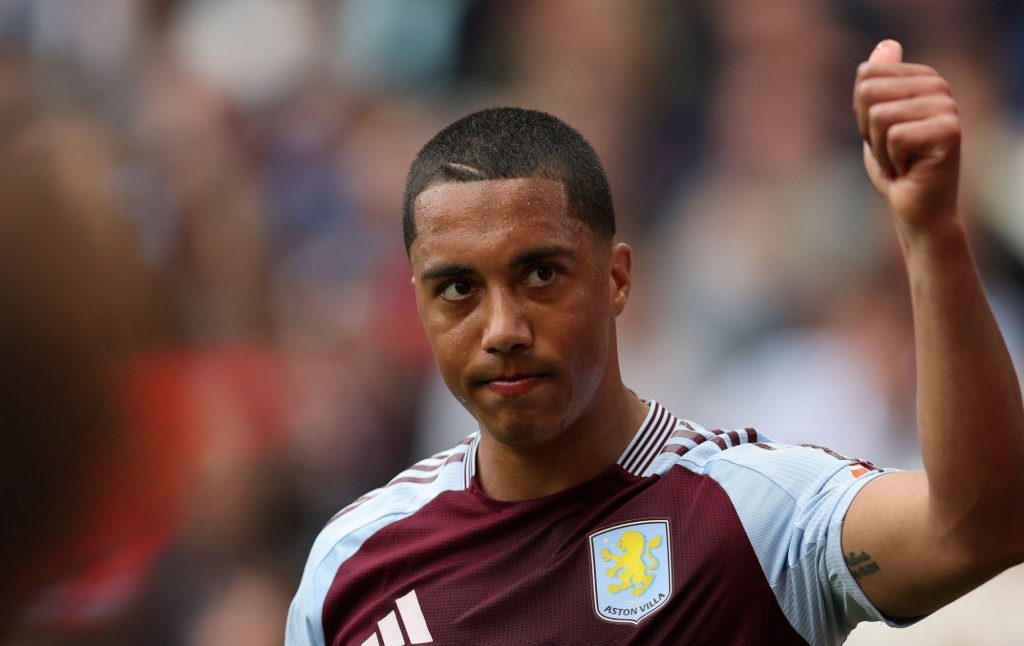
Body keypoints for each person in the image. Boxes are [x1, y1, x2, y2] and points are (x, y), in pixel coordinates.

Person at [286, 40, 1024, 645]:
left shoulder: (751, 516)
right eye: (458, 289)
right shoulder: (353, 566)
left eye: (540, 274)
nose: (503, 328)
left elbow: (979, 528)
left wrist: (932, 234)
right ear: (417, 304)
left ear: (617, 280)